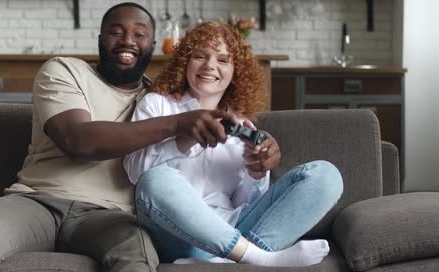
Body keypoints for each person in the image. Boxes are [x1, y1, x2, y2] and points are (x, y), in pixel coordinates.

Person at [0, 2, 242, 272]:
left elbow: (195, 162)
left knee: (136, 254)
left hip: (111, 217)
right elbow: (78, 140)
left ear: (152, 45)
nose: (127, 41)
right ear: (100, 39)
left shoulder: (158, 101)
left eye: (140, 34)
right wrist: (177, 123)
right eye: (116, 31)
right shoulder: (65, 71)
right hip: (36, 202)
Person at [123, 22, 344, 267]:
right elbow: (135, 173)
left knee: (326, 175)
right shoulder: (156, 105)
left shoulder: (241, 125)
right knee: (157, 179)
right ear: (185, 62)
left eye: (223, 60)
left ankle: (224, 260)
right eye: (200, 56)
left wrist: (256, 171)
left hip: (232, 227)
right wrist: (185, 136)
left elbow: (244, 203)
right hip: (175, 233)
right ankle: (257, 259)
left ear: (235, 71)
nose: (210, 66)